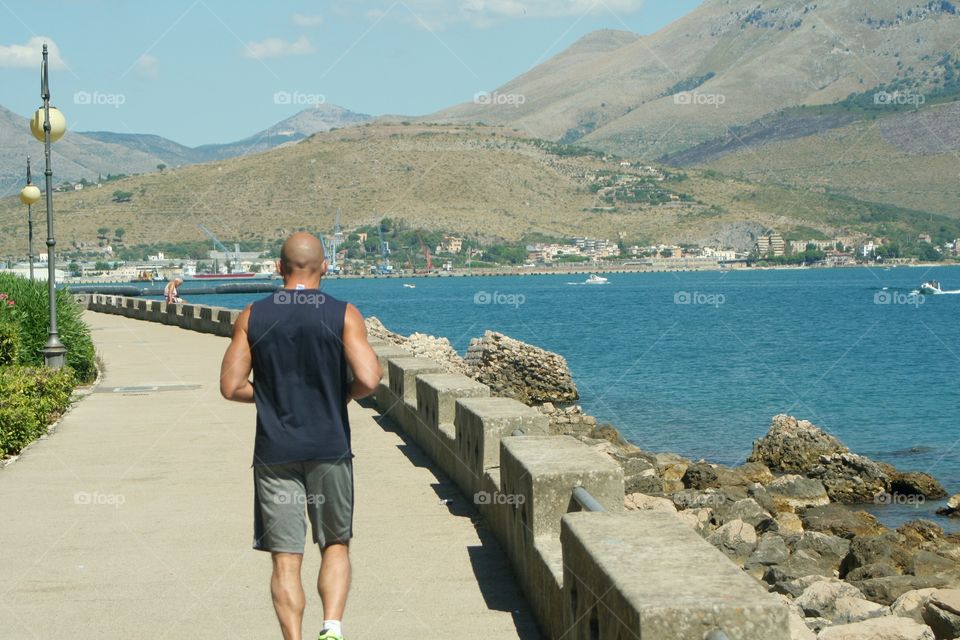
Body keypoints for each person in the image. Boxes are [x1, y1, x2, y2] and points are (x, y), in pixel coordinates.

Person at [220, 232, 382, 640]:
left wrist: (271, 398)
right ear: (324, 267)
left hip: (275, 452)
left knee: (285, 559)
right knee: (335, 544)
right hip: (330, 447)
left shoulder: (253, 315)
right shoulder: (344, 314)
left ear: (279, 267)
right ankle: (331, 628)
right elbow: (369, 378)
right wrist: (341, 394)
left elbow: (231, 386)